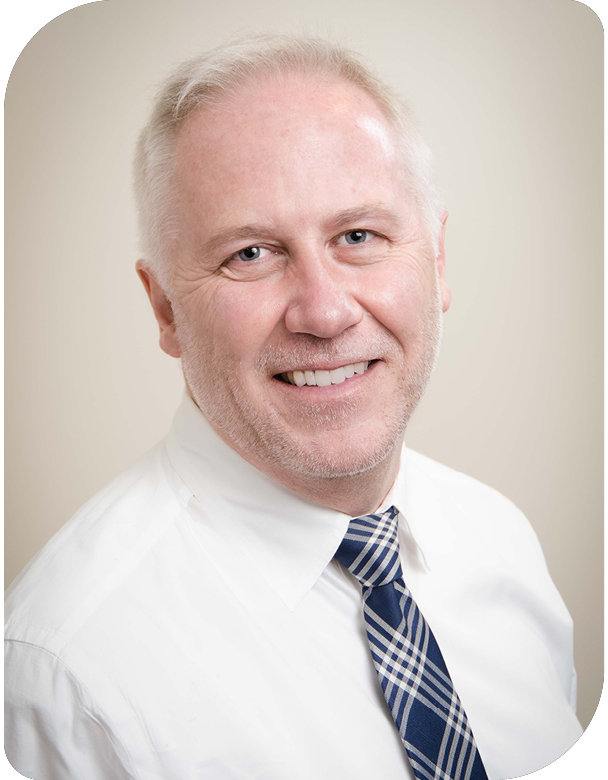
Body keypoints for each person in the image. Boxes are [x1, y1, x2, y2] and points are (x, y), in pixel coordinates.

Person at [5, 33, 583, 780]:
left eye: (359, 235)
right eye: (250, 253)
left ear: (436, 261)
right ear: (166, 308)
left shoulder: (500, 541)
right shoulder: (66, 677)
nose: (325, 311)